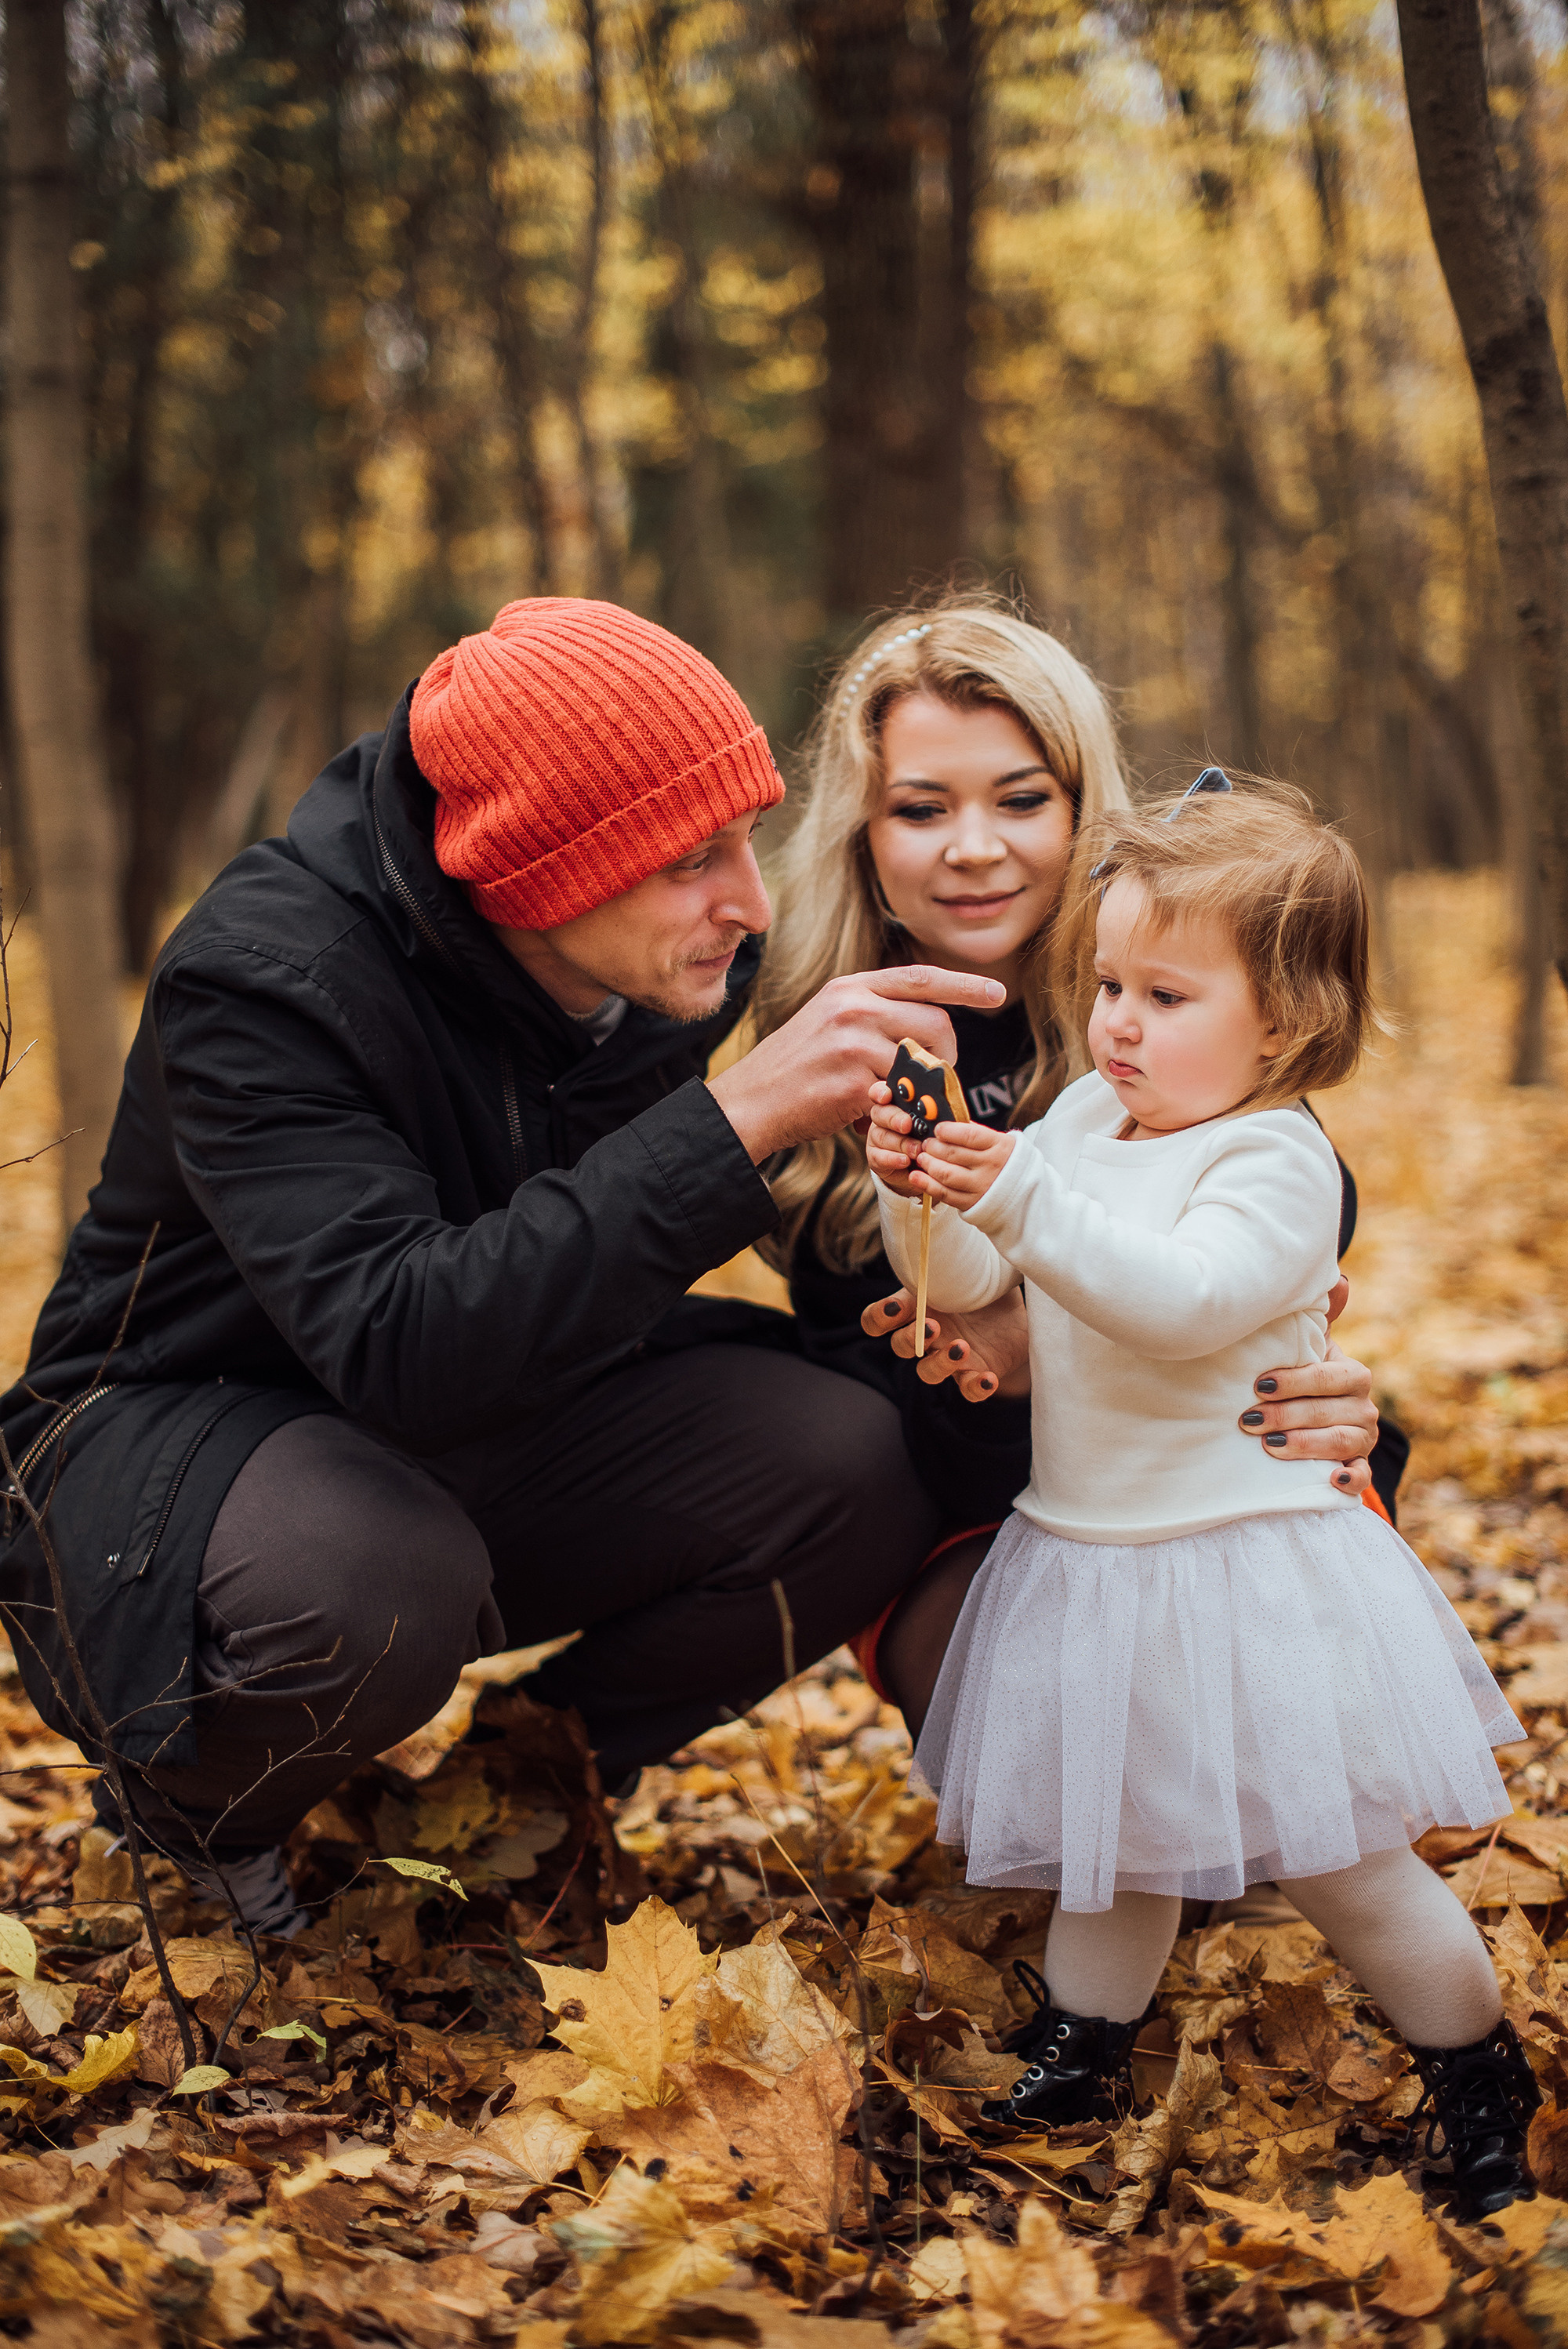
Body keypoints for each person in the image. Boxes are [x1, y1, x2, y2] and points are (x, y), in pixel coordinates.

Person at [0, 597, 1010, 1933]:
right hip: (175, 1468)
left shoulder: (657, 958)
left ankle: (506, 1795)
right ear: (534, 873)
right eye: (691, 861)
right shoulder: (266, 981)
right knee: (371, 1576)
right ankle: (192, 1811)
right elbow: (401, 1345)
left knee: (849, 1456)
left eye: (751, 841)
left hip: (470, 1418)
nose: (748, 903)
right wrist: (739, 1119)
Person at [867, 779, 1537, 2220]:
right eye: (1108, 983)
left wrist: (1021, 1203)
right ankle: (1084, 2046)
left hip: (1247, 1568)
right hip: (1096, 1556)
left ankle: (1478, 2064)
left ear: (1282, 1023)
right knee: (1118, 1846)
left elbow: (1182, 1303)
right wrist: (924, 1187)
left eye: (1166, 994)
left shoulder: (1274, 1157)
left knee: (1345, 1864)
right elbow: (983, 1281)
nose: (1117, 1023)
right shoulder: (1086, 1127)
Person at [750, 597, 1397, 1733]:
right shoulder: (820, 1027)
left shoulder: (1167, 1002)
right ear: (861, 827)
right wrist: (975, 1291)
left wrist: (1303, 1373)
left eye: (1021, 798)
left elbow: (1278, 1225)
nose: (975, 846)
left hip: (1190, 1459)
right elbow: (912, 1333)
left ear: (1083, 806)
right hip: (946, 1496)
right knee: (1052, 1762)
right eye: (920, 807)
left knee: (1261, 1781)